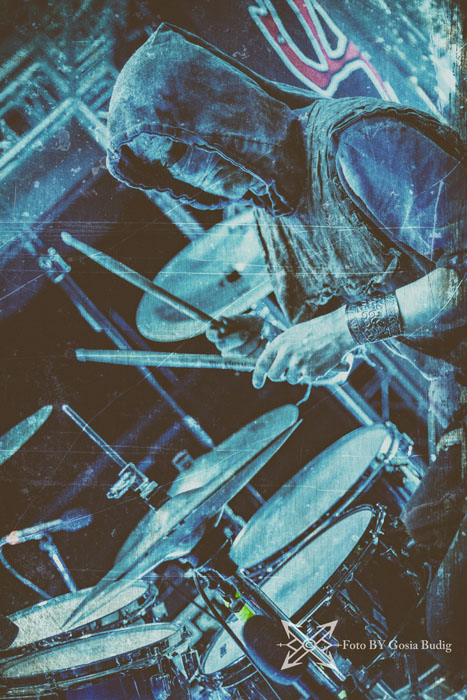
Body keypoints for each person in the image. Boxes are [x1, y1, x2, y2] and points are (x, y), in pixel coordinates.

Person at [105, 23, 466, 675]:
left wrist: (339, 329)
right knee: (411, 579)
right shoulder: (275, 215)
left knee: (447, 614)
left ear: (220, 105)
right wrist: (275, 347)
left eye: (186, 144)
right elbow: (339, 356)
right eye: (174, 166)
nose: (195, 168)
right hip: (457, 390)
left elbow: (457, 278)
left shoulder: (354, 141)